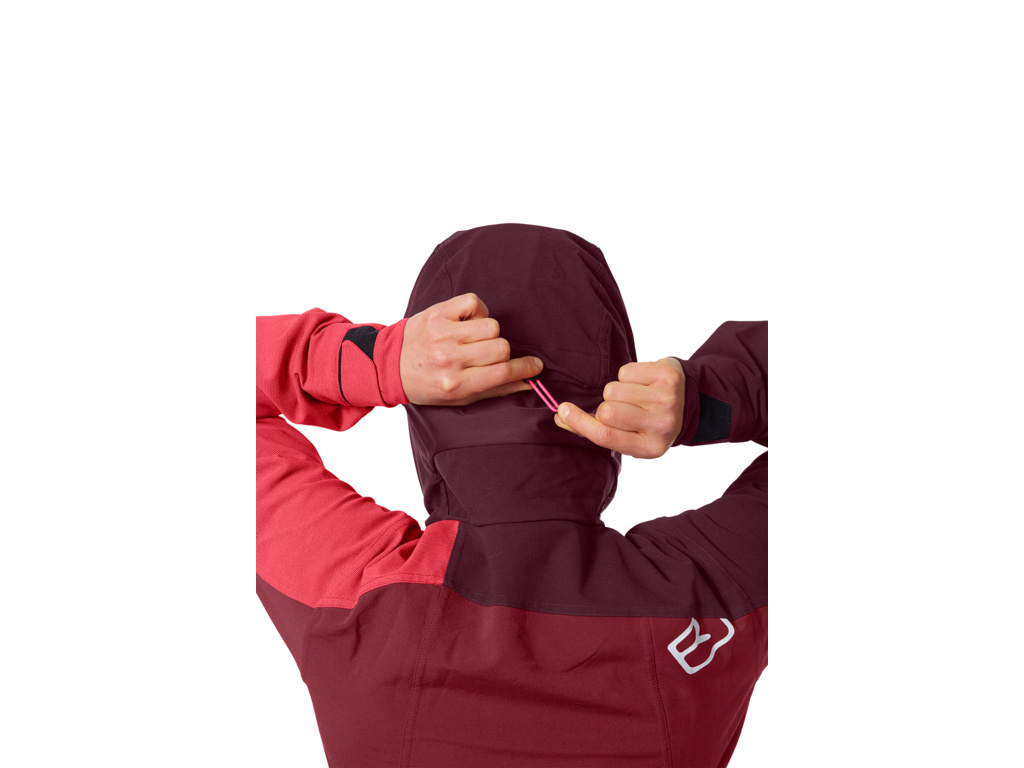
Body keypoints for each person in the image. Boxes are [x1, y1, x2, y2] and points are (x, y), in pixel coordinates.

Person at [256, 223, 768, 767]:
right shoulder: (709, 592)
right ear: (616, 394)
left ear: (422, 415)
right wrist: (709, 399)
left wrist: (378, 361)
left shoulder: (352, 595)